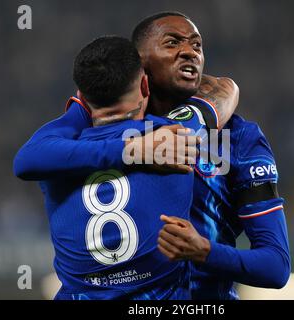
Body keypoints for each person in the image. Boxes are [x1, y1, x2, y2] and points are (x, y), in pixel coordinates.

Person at [14, 11, 290, 300]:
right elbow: (30, 157)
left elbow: (276, 265)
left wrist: (206, 252)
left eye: (197, 45)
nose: (189, 51)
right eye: (172, 43)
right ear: (140, 68)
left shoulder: (236, 137)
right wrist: (136, 149)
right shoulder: (88, 125)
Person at [36, 35, 227, 300]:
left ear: (81, 98)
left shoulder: (53, 160)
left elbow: (26, 159)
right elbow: (225, 90)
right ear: (145, 86)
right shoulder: (174, 137)